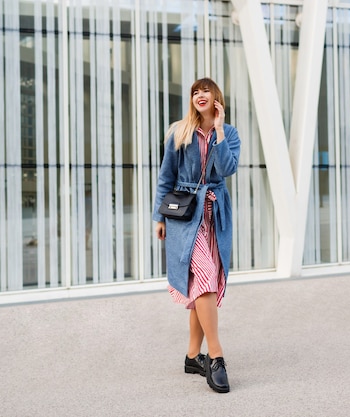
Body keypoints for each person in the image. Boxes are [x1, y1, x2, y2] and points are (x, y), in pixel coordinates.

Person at [153, 77, 240, 394]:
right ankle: (216, 356)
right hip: (184, 216)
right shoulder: (180, 132)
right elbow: (166, 178)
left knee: (207, 285)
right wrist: (158, 217)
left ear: (216, 98)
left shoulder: (228, 134)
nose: (199, 95)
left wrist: (218, 130)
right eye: (195, 92)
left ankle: (192, 357)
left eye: (205, 91)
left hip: (215, 217)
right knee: (203, 277)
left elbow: (228, 169)